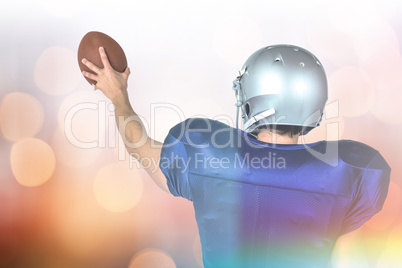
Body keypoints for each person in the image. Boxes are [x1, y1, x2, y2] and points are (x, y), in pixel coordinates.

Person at [81, 45, 391, 268]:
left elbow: (140, 146)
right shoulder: (351, 172)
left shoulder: (209, 155)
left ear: (251, 100)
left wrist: (118, 97)